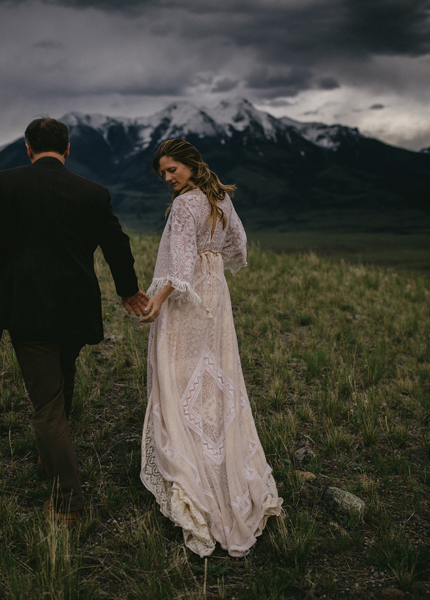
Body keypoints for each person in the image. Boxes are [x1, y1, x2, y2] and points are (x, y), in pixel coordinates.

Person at [0, 117, 149, 525]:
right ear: (68, 149)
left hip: (28, 309)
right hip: (76, 308)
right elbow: (117, 243)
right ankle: (49, 456)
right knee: (62, 379)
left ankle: (69, 502)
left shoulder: (7, 183)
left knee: (46, 404)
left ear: (28, 148)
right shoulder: (93, 192)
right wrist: (128, 290)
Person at [139, 139, 282, 557]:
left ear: (190, 164)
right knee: (215, 375)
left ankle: (191, 459)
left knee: (179, 374)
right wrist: (213, 263)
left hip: (186, 301)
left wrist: (157, 301)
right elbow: (238, 244)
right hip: (216, 298)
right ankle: (221, 453)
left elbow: (179, 265)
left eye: (172, 170)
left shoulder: (186, 205)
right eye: (163, 174)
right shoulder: (218, 199)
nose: (168, 179)